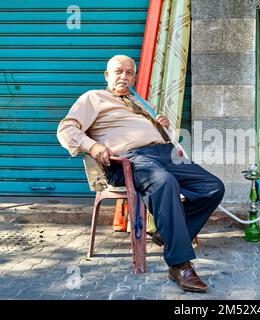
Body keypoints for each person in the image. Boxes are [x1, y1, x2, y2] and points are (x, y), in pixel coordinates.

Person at [57, 55, 225, 293]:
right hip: (129, 160)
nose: (123, 77)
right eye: (118, 72)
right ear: (107, 75)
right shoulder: (93, 98)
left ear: (134, 77)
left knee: (213, 187)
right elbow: (65, 128)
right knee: (165, 183)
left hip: (164, 154)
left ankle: (167, 234)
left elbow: (156, 135)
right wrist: (93, 146)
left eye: (129, 73)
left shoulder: (140, 102)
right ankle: (179, 264)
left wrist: (161, 127)